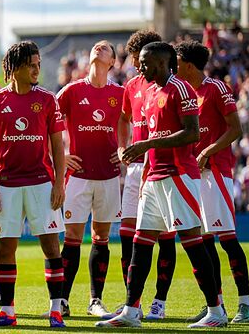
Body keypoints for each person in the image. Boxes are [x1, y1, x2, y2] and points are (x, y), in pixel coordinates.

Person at [97, 42, 226, 329]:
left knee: (192, 241)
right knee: (141, 246)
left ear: (161, 62)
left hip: (179, 175)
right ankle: (131, 311)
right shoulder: (148, 92)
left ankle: (216, 310)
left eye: (144, 62)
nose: (140, 67)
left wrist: (148, 143)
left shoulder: (180, 89)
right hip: (153, 177)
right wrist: (140, 149)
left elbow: (192, 133)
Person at [0, 41, 66, 328]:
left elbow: (57, 146)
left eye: (39, 64)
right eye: (32, 65)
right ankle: (7, 312)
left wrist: (59, 184)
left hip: (42, 183)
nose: (37, 69)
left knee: (51, 246)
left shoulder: (48, 99)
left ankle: (56, 311)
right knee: (6, 249)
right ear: (15, 68)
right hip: (7, 185)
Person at [175, 40, 249, 324]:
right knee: (205, 242)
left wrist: (209, 151)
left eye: (176, 60)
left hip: (216, 173)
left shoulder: (216, 88)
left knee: (228, 240)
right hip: (192, 174)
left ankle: (245, 305)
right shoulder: (182, 92)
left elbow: (236, 128)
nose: (173, 65)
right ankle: (215, 305)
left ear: (186, 62)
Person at [55, 40, 123, 318]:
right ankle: (62, 300)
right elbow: (49, 123)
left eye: (105, 48)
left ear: (113, 62)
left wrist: (124, 148)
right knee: (71, 237)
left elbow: (133, 119)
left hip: (108, 176)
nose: (99, 48)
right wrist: (60, 156)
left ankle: (95, 300)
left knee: (101, 237)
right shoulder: (71, 91)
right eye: (96, 46)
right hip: (78, 177)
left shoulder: (120, 93)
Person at [115, 30, 177, 320]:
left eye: (139, 59)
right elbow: (124, 119)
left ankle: (159, 302)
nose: (136, 65)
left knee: (165, 237)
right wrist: (121, 147)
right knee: (129, 235)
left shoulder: (166, 86)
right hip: (136, 167)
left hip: (162, 167)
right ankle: (133, 302)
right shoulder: (131, 86)